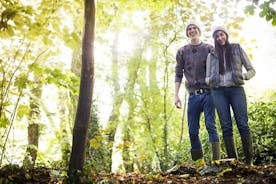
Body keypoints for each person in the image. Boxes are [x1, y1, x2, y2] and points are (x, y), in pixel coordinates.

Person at [206, 26, 256, 165]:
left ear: (226, 35)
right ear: (214, 39)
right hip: (218, 92)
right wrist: (209, 81)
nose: (219, 38)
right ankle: (233, 162)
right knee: (226, 126)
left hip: (236, 90)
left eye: (221, 34)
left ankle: (249, 161)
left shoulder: (237, 49)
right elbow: (207, 76)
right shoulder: (212, 54)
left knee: (242, 123)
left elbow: (252, 70)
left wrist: (243, 76)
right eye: (216, 36)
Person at [175, 21, 220, 163]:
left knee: (210, 125)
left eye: (194, 28)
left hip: (209, 93)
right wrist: (176, 95)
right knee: (192, 131)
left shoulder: (209, 48)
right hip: (193, 96)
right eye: (189, 29)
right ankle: (199, 164)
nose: (192, 30)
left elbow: (217, 69)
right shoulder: (182, 51)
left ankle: (216, 162)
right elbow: (178, 74)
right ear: (187, 33)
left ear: (199, 31)